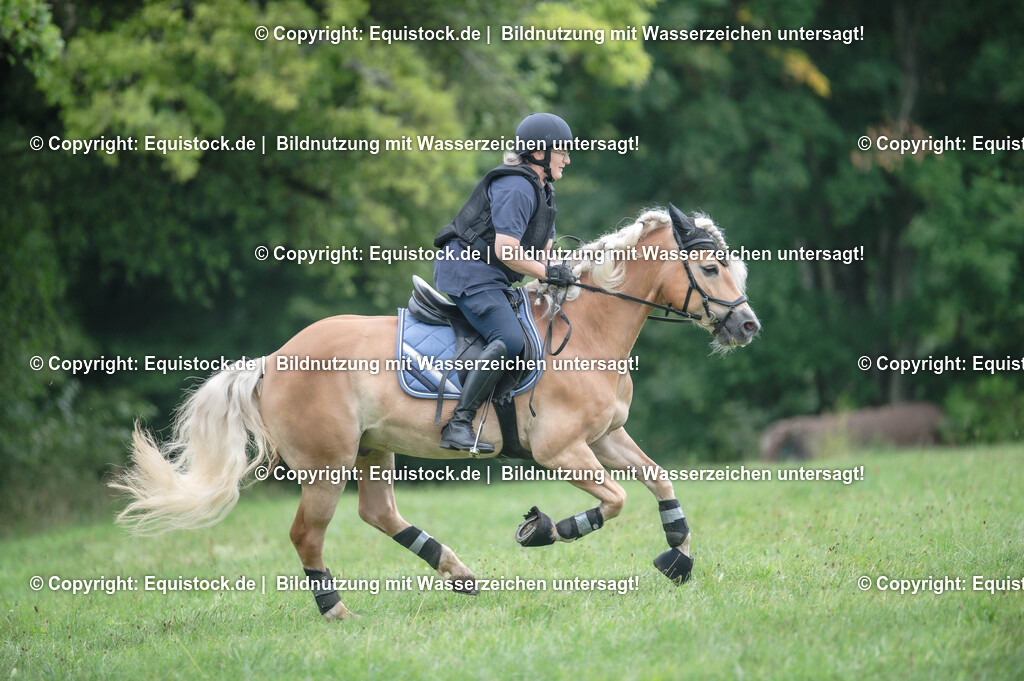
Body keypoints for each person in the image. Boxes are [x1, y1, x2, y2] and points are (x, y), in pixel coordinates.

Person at [432, 113, 576, 452]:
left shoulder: (545, 191)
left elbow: (544, 255)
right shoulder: (516, 186)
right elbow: (507, 250)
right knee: (510, 340)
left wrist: (567, 271)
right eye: (562, 152)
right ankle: (459, 423)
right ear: (539, 152)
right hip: (468, 272)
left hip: (494, 276)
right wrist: (546, 271)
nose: (567, 159)